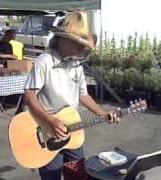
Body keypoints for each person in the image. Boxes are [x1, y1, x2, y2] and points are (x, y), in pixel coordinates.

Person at [24, 11, 120, 180]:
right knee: (52, 176)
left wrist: (103, 114)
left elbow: (83, 95)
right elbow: (29, 95)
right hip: (47, 130)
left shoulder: (76, 64)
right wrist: (49, 121)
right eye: (79, 43)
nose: (83, 49)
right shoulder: (45, 61)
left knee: (79, 175)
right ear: (64, 40)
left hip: (73, 130)